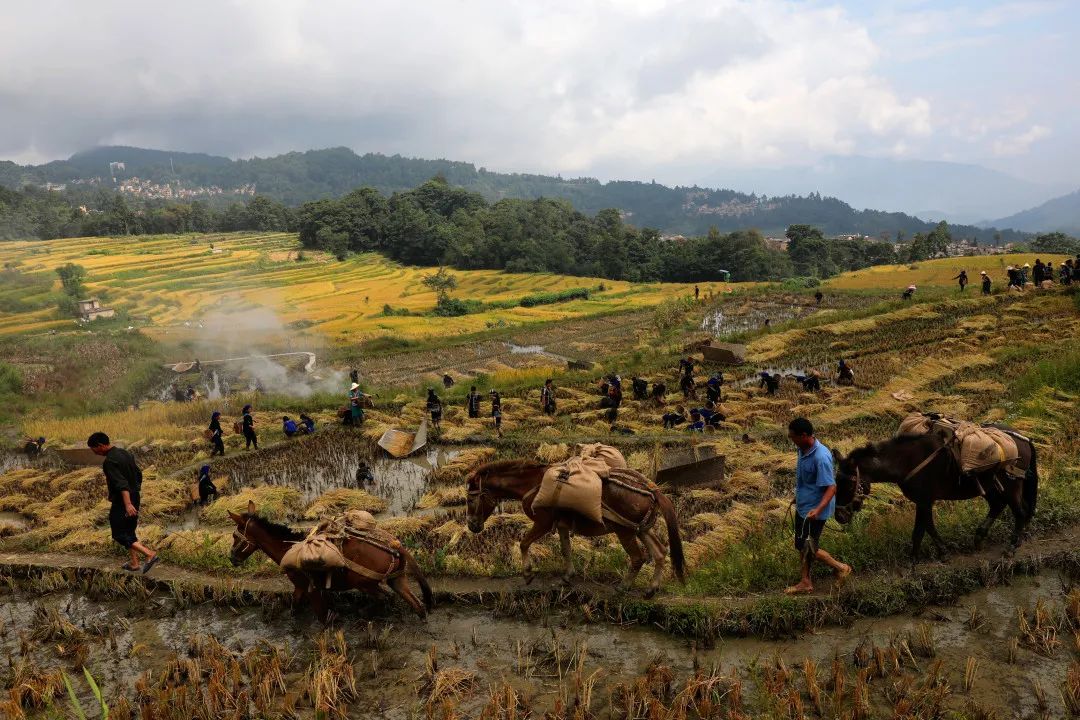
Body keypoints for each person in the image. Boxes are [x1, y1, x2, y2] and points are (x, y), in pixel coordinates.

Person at [784, 418, 850, 595]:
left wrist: (819, 509)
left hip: (814, 511)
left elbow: (831, 487)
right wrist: (798, 497)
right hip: (804, 507)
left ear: (804, 435)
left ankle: (841, 567)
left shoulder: (820, 457)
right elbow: (807, 482)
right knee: (802, 545)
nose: (792, 440)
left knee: (809, 547)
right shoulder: (802, 449)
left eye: (793, 437)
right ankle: (805, 581)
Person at [87, 432, 159, 574]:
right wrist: (134, 492)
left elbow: (121, 484)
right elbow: (138, 474)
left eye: (93, 449)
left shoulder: (109, 461)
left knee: (119, 534)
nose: (94, 452)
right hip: (134, 496)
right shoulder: (124, 453)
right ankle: (134, 563)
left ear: (100, 446)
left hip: (123, 501)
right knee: (129, 531)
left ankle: (149, 554)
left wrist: (127, 503)